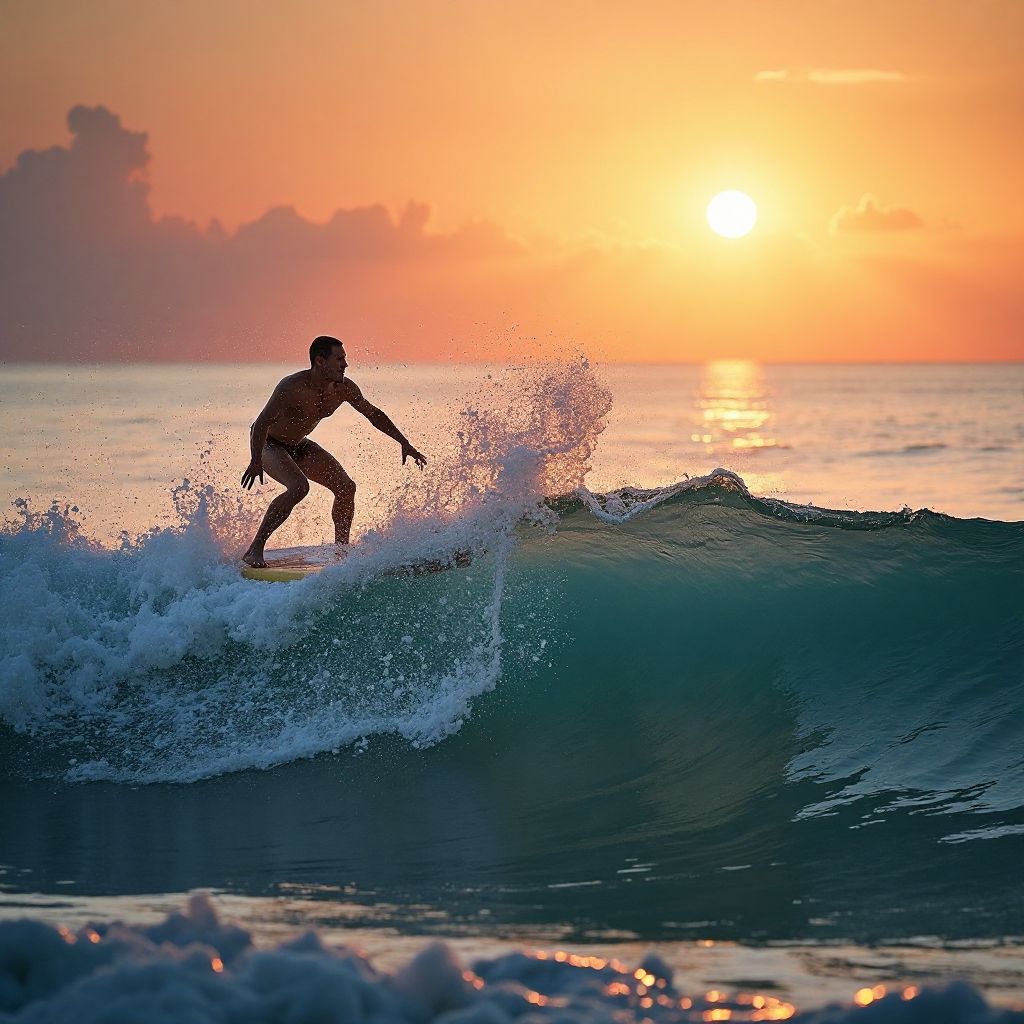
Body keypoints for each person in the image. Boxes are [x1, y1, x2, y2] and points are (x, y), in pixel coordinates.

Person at [240, 336, 426, 568]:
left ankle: (341, 553)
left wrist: (404, 442)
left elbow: (373, 414)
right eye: (339, 359)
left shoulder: (344, 389)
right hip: (270, 444)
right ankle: (255, 548)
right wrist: (256, 460)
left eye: (344, 359)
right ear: (320, 361)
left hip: (299, 444)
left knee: (346, 487)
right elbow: (261, 423)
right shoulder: (291, 387)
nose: (345, 365)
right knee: (299, 487)